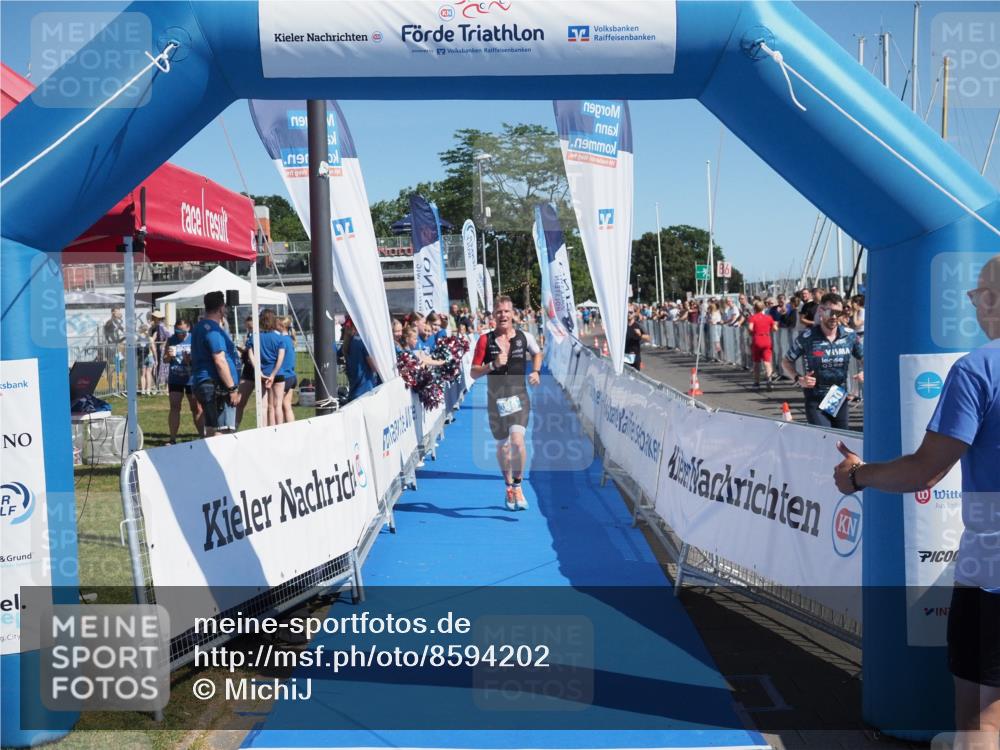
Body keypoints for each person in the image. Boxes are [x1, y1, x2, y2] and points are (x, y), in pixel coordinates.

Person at [833, 255, 1000, 750]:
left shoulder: (978, 368)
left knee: (983, 720)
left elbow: (926, 470)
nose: (973, 306)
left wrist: (857, 476)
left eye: (976, 295)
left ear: (992, 299)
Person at [471, 296, 542, 511]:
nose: (503, 315)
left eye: (507, 311)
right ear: (494, 315)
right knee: (503, 447)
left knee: (518, 442)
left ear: (513, 314)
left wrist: (536, 371)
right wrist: (492, 365)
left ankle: (518, 485)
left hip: (519, 398)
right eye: (499, 311)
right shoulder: (485, 340)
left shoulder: (524, 337)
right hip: (496, 401)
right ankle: (508, 486)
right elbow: (473, 372)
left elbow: (537, 353)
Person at [781, 292, 863, 428]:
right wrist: (798, 379)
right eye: (831, 312)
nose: (834, 317)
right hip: (816, 397)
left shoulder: (849, 336)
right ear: (821, 310)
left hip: (838, 395)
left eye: (838, 313)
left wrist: (864, 372)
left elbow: (865, 358)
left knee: (841, 437)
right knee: (824, 436)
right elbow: (786, 361)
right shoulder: (807, 337)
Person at [190, 292, 239, 437]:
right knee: (223, 430)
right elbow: (219, 360)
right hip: (217, 385)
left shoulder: (199, 327)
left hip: (204, 382)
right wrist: (232, 388)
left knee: (212, 427)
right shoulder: (213, 330)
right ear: (221, 308)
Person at [164, 319, 202, 443]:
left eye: (183, 331)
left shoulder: (194, 339)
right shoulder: (171, 339)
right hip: (175, 378)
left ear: (188, 328)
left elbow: (201, 358)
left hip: (191, 379)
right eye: (178, 331)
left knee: (196, 408)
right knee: (174, 406)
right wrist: (169, 356)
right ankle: (172, 439)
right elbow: (165, 359)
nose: (180, 334)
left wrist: (190, 360)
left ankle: (203, 437)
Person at [257, 309, 286, 426]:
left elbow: (250, 353)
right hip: (278, 374)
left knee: (263, 407)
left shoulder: (256, 337)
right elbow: (280, 358)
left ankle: (263, 430)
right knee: (277, 405)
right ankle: (280, 430)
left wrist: (258, 371)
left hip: (262, 374)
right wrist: (273, 375)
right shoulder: (279, 338)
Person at [343, 317, 379, 400]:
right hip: (366, 391)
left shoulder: (349, 342)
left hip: (354, 391)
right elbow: (375, 367)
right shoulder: (362, 343)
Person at [747, 300, 778, 391]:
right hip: (766, 339)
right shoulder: (768, 317)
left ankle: (756, 383)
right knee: (767, 362)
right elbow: (775, 328)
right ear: (763, 308)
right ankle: (769, 380)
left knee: (756, 362)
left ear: (754, 308)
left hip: (757, 339)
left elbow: (750, 328)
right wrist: (769, 329)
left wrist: (752, 333)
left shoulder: (753, 317)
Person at [235, 316, 256, 429]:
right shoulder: (249, 336)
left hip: (261, 371)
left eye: (251, 327)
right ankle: (234, 428)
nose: (249, 330)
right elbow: (245, 352)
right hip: (248, 371)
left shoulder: (261, 336)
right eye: (248, 327)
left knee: (267, 405)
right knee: (239, 402)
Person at [278, 315, 298, 423]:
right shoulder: (290, 339)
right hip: (292, 376)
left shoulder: (281, 340)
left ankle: (280, 429)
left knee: (278, 406)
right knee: (287, 405)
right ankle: (292, 428)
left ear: (281, 326)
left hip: (284, 377)